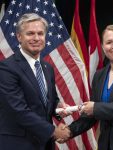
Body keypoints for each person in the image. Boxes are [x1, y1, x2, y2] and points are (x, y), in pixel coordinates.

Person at [0, 13, 70, 150]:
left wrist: (58, 108)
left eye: (40, 33)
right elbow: (18, 110)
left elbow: (49, 101)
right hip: (18, 144)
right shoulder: (6, 68)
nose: (36, 38)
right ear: (19, 37)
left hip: (44, 144)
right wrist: (53, 131)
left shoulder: (47, 67)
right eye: (30, 33)